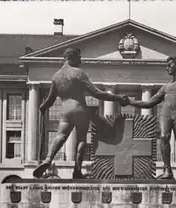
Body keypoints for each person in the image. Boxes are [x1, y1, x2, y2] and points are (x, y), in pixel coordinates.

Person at [33, 48, 129, 179]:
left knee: (60, 136)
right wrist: (117, 98)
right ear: (71, 57)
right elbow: (97, 93)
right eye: (79, 58)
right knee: (81, 139)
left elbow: (50, 99)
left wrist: (42, 107)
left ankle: (48, 159)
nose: (81, 60)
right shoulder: (78, 73)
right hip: (79, 108)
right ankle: (77, 170)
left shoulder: (55, 76)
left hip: (65, 110)